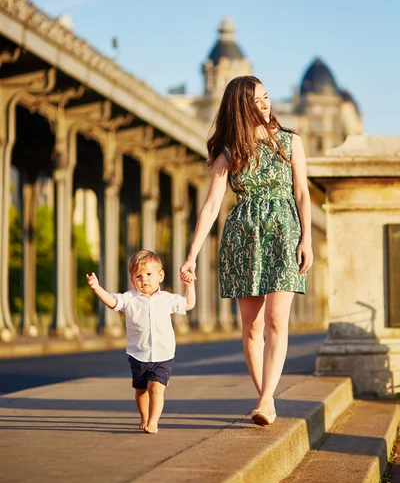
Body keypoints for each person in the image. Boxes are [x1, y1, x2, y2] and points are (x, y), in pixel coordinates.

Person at [180, 76, 313, 427]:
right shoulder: (228, 152)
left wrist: (307, 240)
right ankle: (265, 398)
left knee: (275, 320)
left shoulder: (290, 141)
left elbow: (302, 194)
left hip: (285, 233)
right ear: (241, 107)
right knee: (252, 326)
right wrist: (191, 254)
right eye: (256, 100)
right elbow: (210, 207)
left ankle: (266, 398)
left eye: (266, 97)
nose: (265, 104)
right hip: (243, 238)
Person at [86, 249, 195, 434]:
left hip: (163, 353)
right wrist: (97, 288)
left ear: (160, 276)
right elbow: (112, 302)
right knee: (141, 389)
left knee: (156, 388)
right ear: (132, 280)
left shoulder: (167, 299)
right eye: (138, 276)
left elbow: (188, 304)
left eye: (149, 274)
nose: (144, 279)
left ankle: (154, 421)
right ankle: (144, 417)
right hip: (138, 353)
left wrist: (189, 286)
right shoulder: (129, 298)